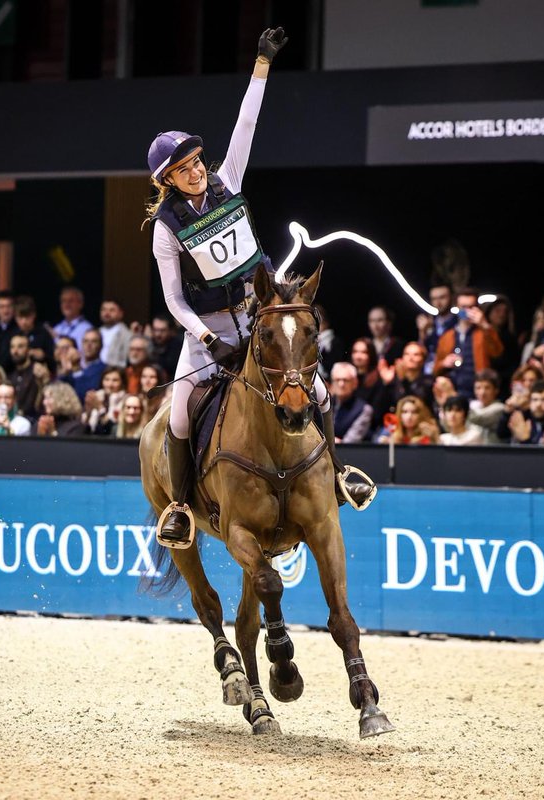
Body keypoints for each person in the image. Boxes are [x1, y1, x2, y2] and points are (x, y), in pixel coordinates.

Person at [145, 26, 372, 543]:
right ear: (169, 181)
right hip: (205, 330)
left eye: (197, 162)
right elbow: (174, 300)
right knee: (179, 413)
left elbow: (247, 122)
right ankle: (181, 507)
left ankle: (337, 475)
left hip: (257, 315)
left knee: (316, 390)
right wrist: (207, 339)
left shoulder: (228, 179)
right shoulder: (166, 229)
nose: (197, 172)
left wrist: (262, 65)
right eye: (184, 170)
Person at [434, 288, 503, 398]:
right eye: (463, 307)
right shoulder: (447, 336)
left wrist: (484, 325)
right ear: (456, 307)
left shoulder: (483, 333)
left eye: (471, 307)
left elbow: (497, 353)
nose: (466, 311)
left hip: (479, 393)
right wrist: (444, 363)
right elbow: (435, 368)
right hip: (454, 393)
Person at [327, 362, 374, 443]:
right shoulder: (323, 405)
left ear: (355, 383)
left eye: (345, 380)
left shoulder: (364, 409)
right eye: (337, 380)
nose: (341, 384)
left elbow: (349, 443)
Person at [508, 381, 544, 446]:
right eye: (535, 399)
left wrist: (525, 440)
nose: (538, 404)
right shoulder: (524, 419)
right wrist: (506, 413)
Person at [83, 366, 126, 436]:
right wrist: (88, 412)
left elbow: (112, 429)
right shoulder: (97, 397)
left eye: (115, 380)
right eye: (106, 379)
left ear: (122, 383)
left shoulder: (126, 401)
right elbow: (85, 429)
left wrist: (100, 408)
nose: (110, 384)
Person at [468, 369, 506, 443]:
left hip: (490, 452)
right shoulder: (472, 406)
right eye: (478, 388)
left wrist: (453, 397)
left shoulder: (500, 408)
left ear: (496, 390)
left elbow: (478, 418)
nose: (482, 392)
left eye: (487, 388)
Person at [97, 300, 133, 368]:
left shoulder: (127, 335)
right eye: (104, 309)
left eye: (112, 310)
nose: (107, 313)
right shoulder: (95, 332)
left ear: (121, 313)